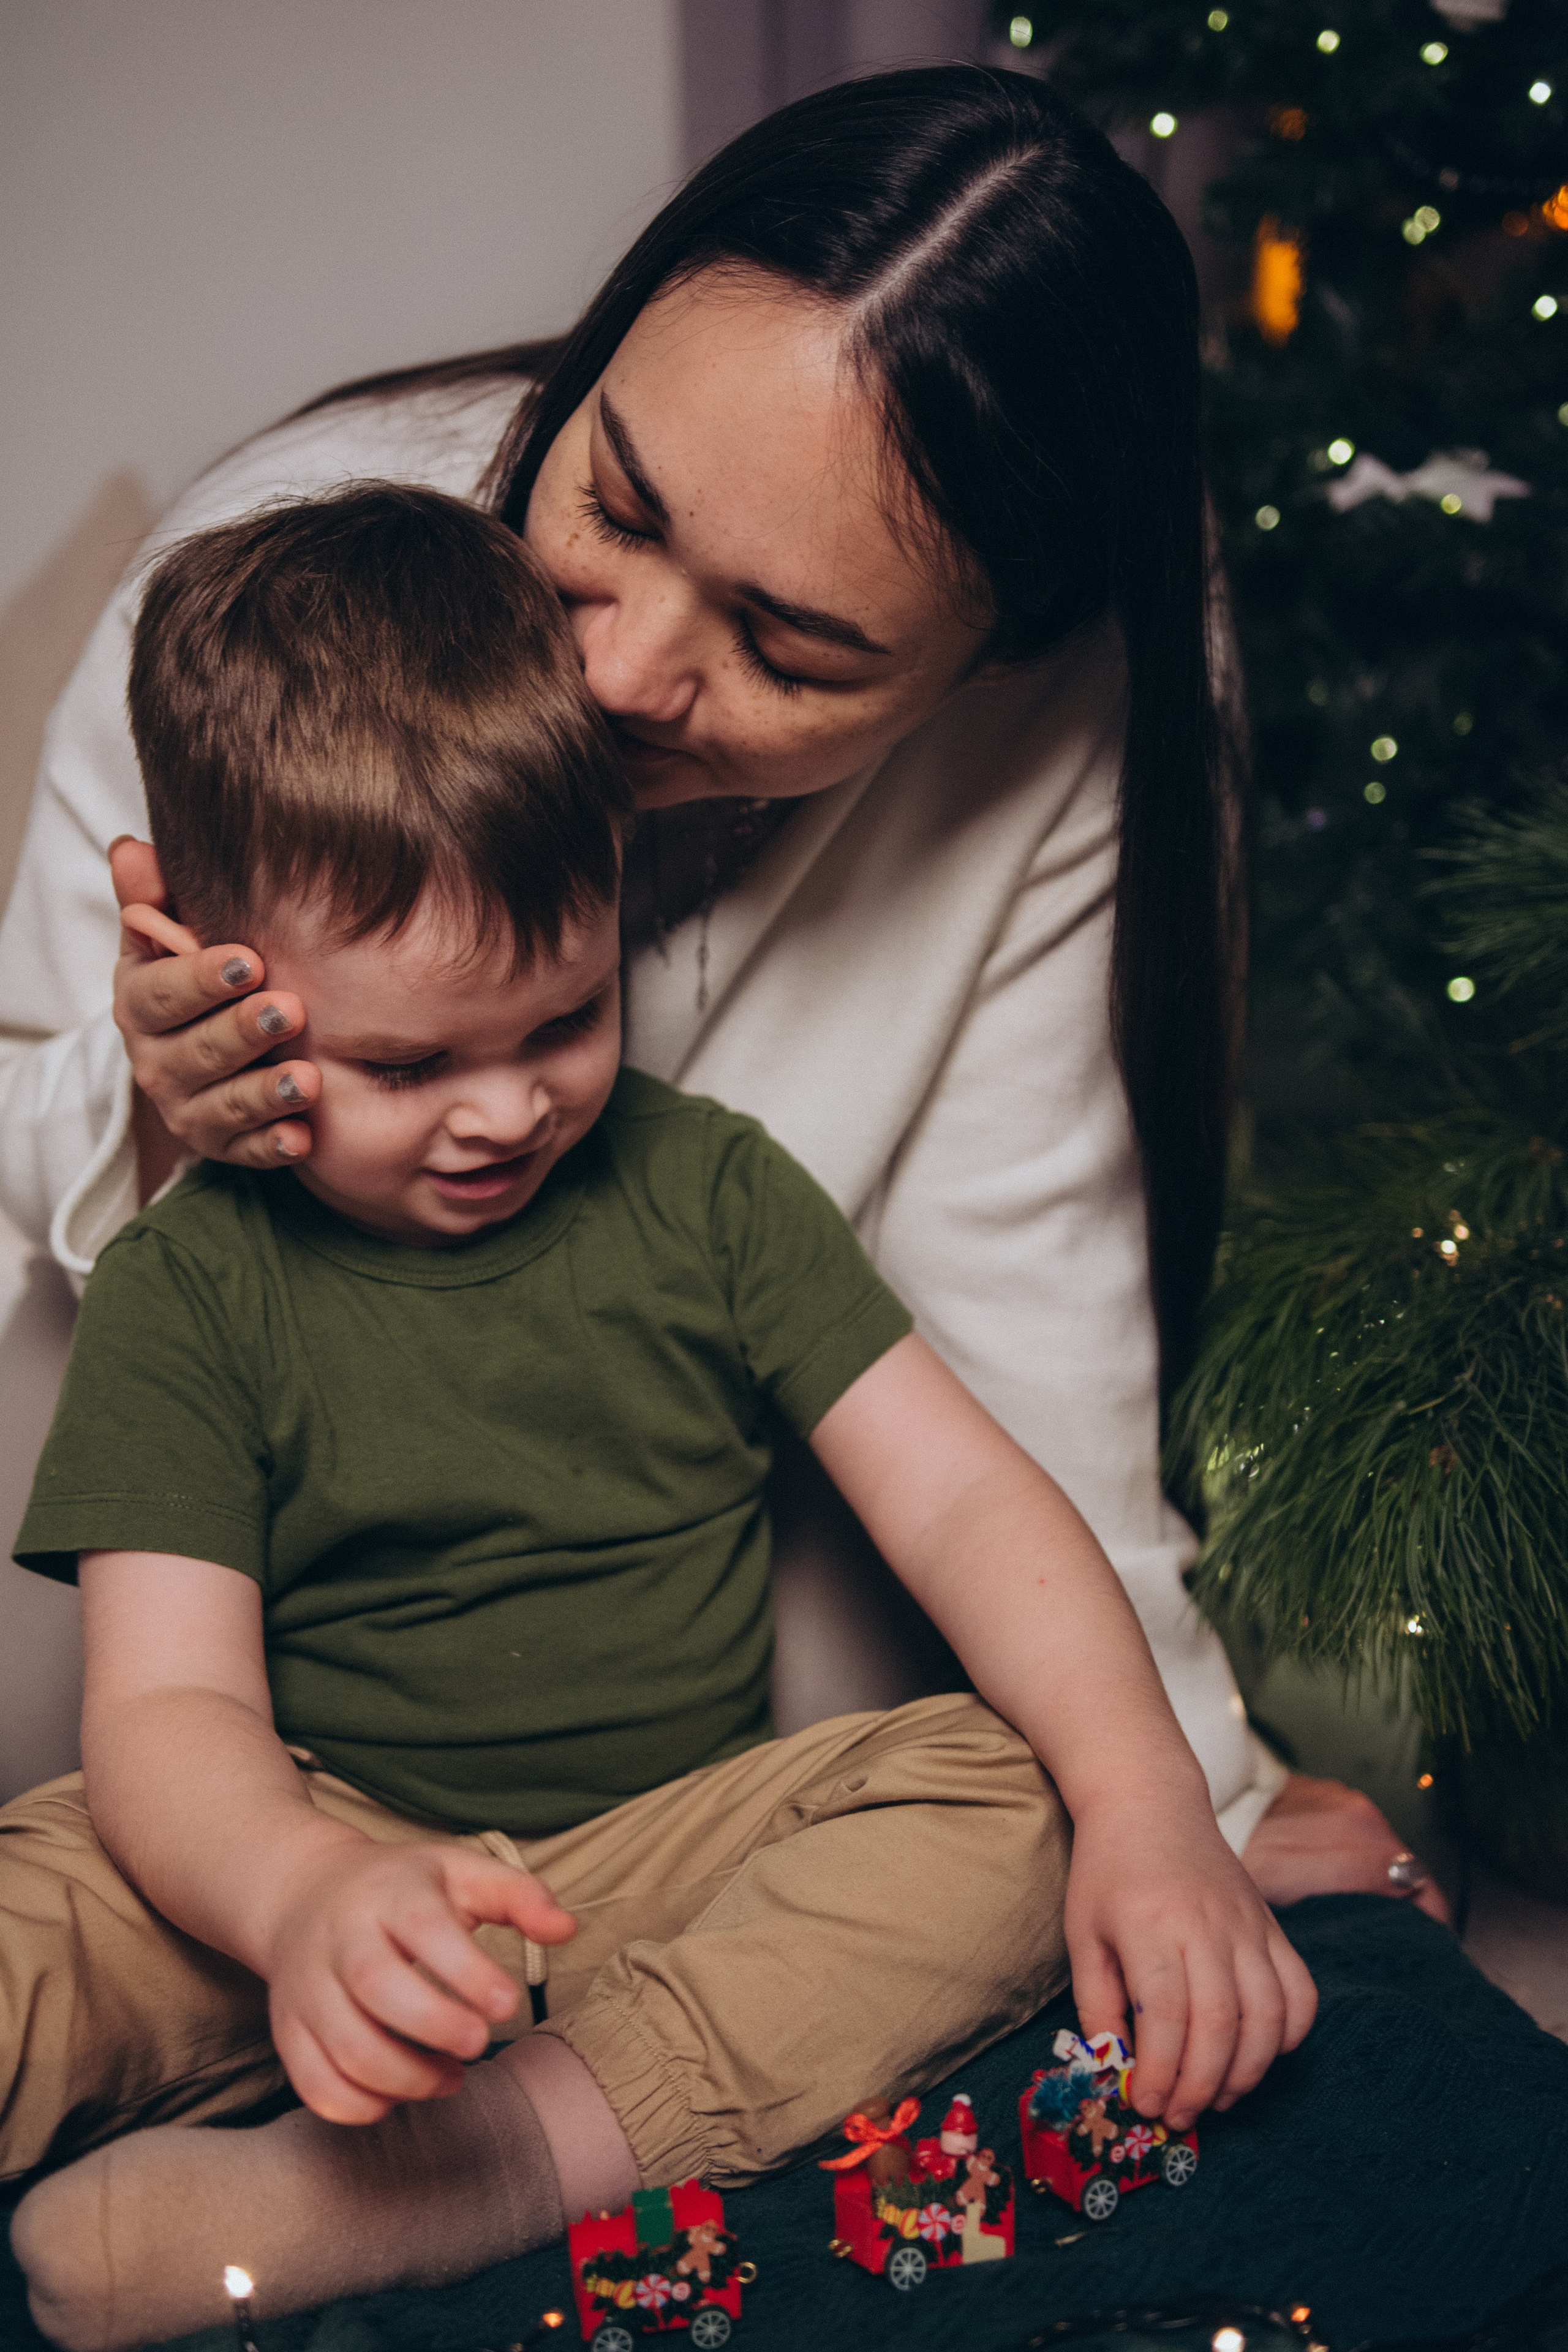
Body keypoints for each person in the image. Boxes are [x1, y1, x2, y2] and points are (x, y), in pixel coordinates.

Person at [0, 65, 1440, 1917]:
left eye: (787, 647)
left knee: (946, 1805)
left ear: (991, 669)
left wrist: (1188, 1801)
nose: (619, 673)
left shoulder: (1056, 721)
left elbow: (1026, 1314)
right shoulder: (271, 579)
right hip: (215, 1547)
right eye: (617, 501)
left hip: (657, 1582)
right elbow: (35, 1179)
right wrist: (152, 1096)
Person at [6, 484, 1314, 2351]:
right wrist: (311, 1899)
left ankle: (465, 2175)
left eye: (559, 1021)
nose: (501, 1113)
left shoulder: (709, 1194)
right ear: (218, 982)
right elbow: (166, 1716)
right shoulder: (190, 1282)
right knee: (32, 1918)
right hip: (286, 1863)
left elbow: (962, 1505)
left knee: (1010, 1800)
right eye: (402, 1063)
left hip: (657, 1888)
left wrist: (1151, 1805)